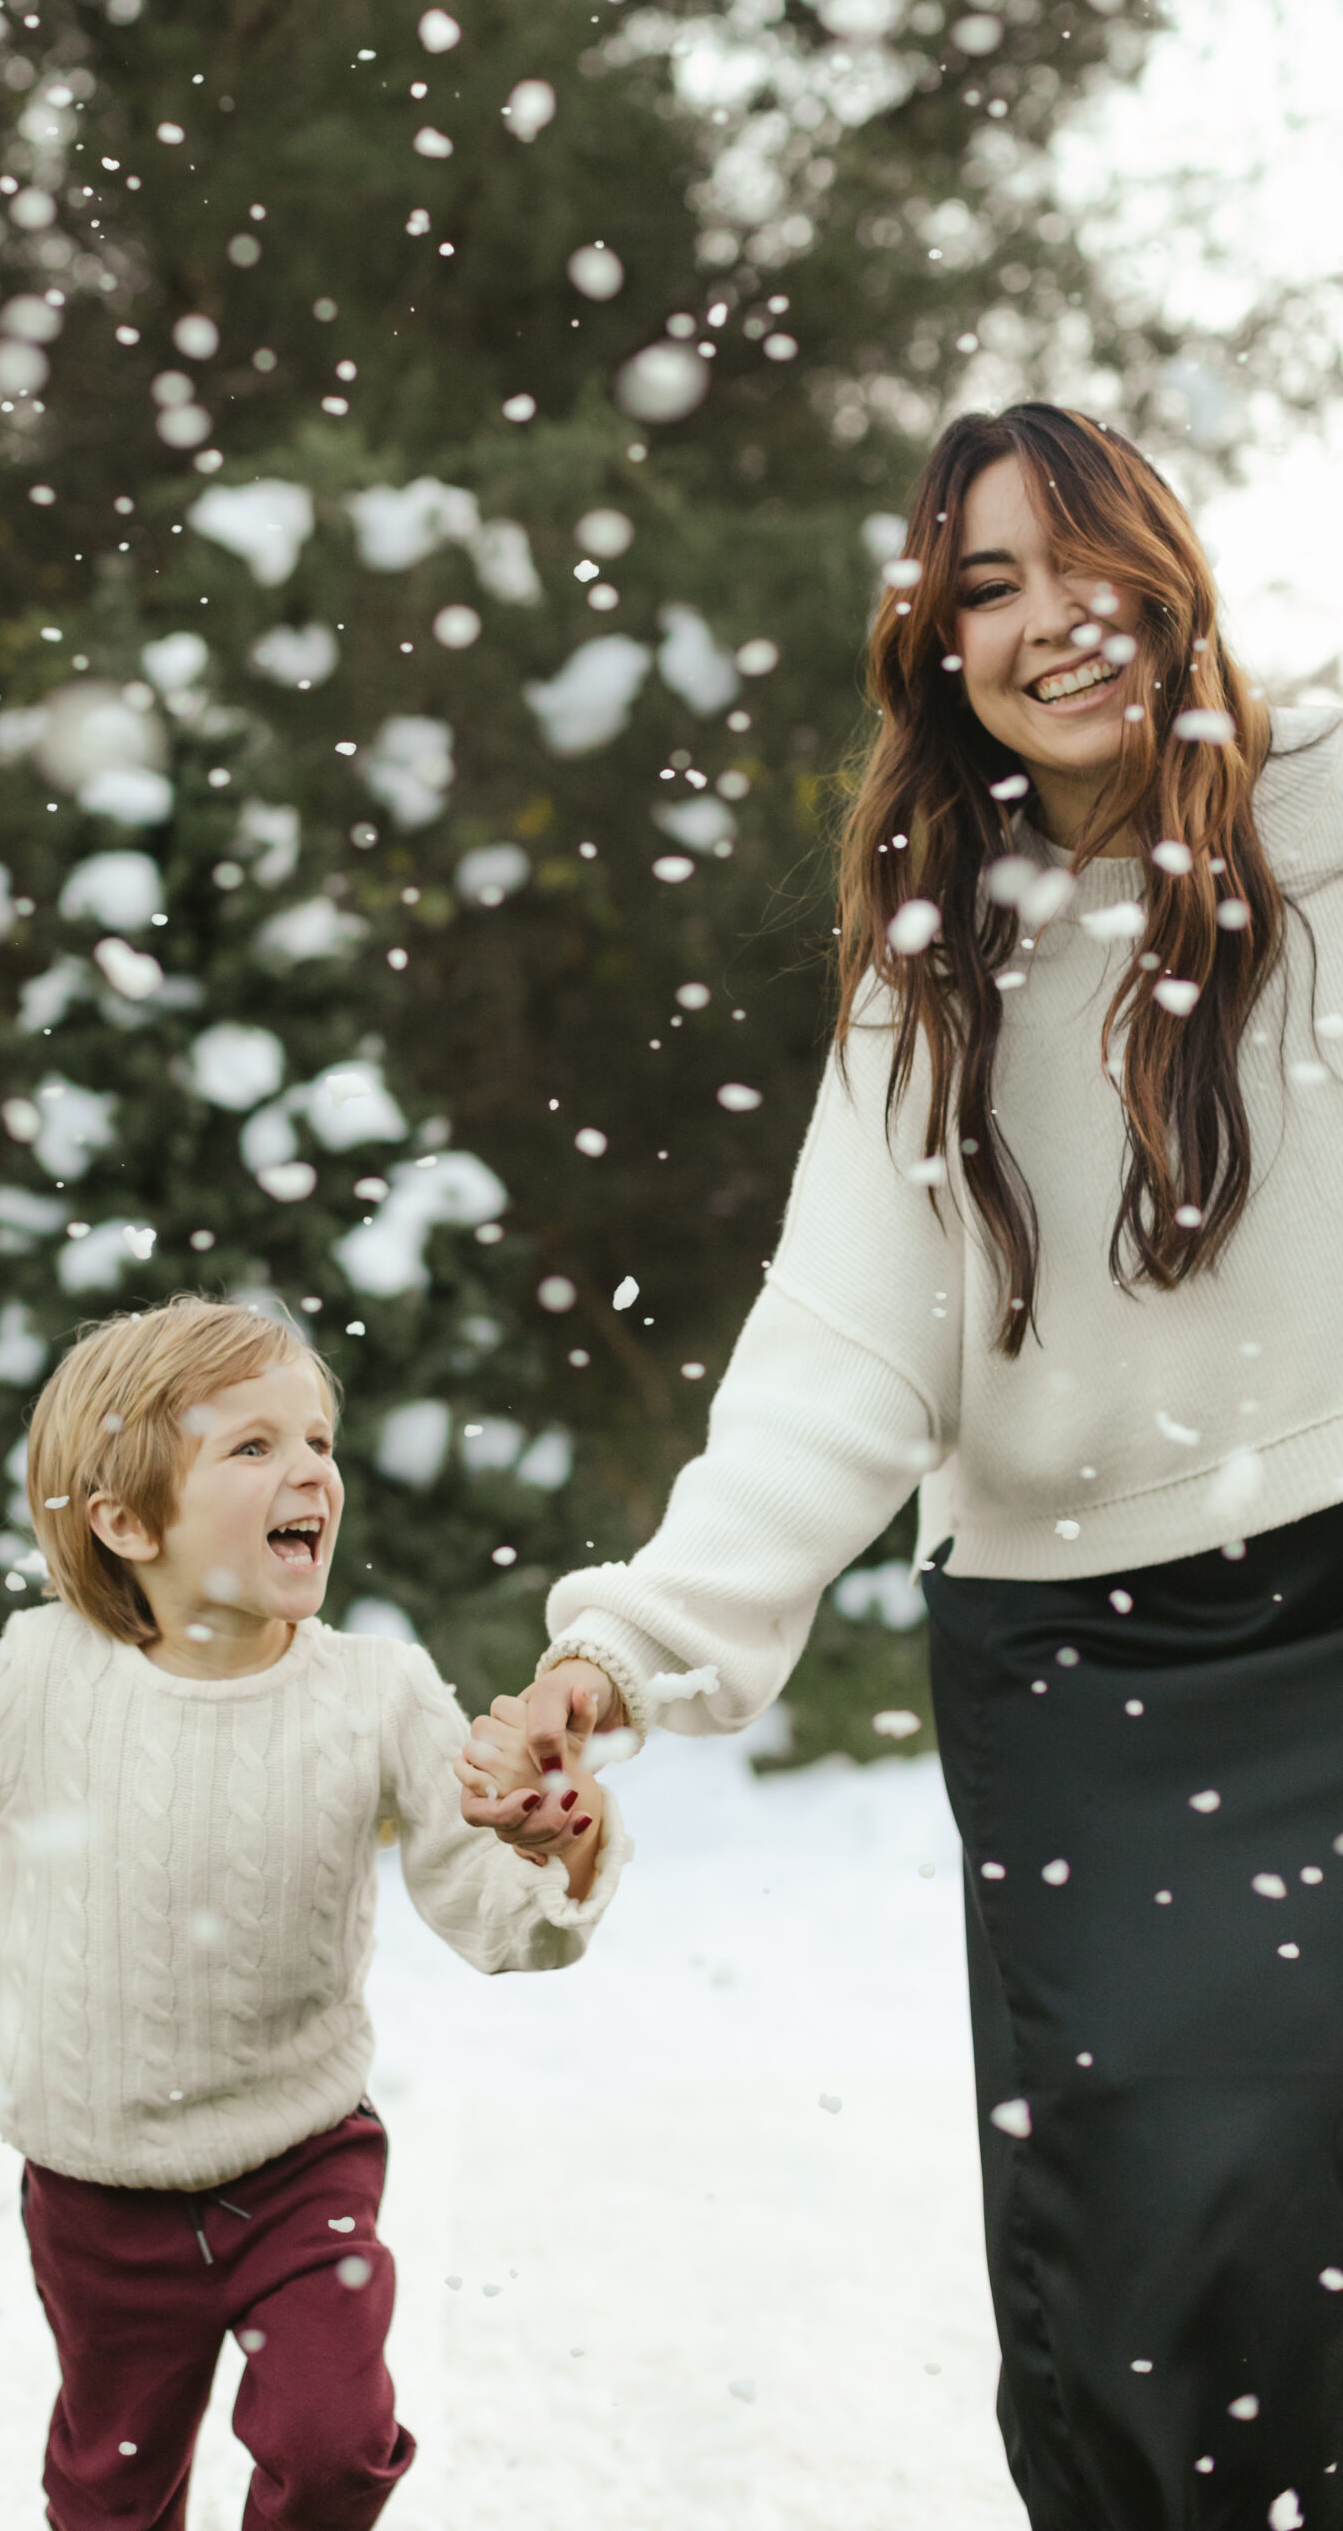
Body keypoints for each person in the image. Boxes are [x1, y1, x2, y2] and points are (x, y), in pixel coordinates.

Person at [474, 402, 1343, 2526]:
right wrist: (630, 1652)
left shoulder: (1326, 820)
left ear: (1171, 570)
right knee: (1159, 2241)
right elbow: (837, 1356)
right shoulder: (928, 972)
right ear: (930, 645)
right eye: (984, 585)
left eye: (1083, 560)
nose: (1050, 620)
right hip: (1092, 1671)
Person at [0, 1295, 622, 2531]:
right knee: (110, 2491)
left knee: (333, 2444)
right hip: (94, 2187)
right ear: (124, 1518)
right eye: (251, 1446)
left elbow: (492, 1921)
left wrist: (559, 1842)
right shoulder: (48, 1671)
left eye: (316, 1439)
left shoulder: (377, 1694)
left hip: (301, 2164)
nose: (309, 1466)